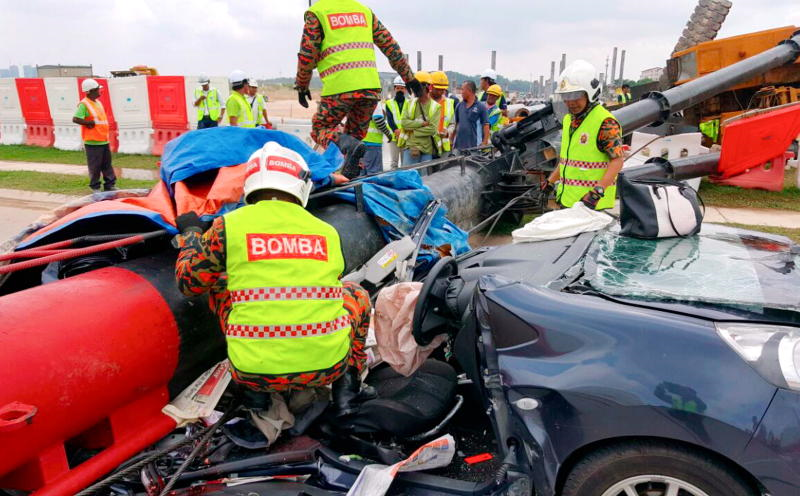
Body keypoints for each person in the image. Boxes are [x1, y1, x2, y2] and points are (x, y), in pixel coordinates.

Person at [174, 141, 372, 416]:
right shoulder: (325, 231)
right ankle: (347, 391)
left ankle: (256, 399)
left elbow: (189, 283)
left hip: (253, 373)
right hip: (328, 367)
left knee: (220, 286)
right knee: (355, 294)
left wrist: (192, 235)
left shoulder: (228, 226)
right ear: (301, 185)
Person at [294, 0, 418, 177]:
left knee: (320, 129)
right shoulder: (363, 12)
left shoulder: (318, 12)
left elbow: (307, 54)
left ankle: (344, 171)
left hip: (339, 87)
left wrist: (302, 84)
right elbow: (390, 46)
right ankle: (349, 179)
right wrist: (409, 77)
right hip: (370, 89)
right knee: (354, 141)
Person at [543, 60, 624, 211]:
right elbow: (569, 161)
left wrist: (596, 193)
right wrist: (550, 182)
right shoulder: (569, 120)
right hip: (568, 201)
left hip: (593, 206)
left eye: (576, 95)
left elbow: (617, 161)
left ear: (591, 93)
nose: (570, 102)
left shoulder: (605, 122)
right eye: (566, 96)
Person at [72, 78, 116, 193]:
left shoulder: (98, 103)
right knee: (95, 166)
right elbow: (76, 119)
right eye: (97, 89)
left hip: (103, 140)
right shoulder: (84, 104)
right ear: (90, 91)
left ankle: (110, 185)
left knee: (107, 165)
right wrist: (88, 123)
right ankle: (95, 187)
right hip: (92, 142)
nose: (99, 91)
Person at [399, 71, 441, 165]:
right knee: (407, 177)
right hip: (410, 148)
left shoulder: (435, 107)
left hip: (426, 150)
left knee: (425, 179)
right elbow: (404, 123)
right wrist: (421, 124)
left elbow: (432, 129)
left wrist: (413, 131)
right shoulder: (409, 103)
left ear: (428, 87)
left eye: (419, 86)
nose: (415, 89)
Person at [451, 80, 489, 151]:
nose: (461, 92)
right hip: (458, 148)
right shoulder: (459, 106)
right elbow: (457, 125)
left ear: (469, 91)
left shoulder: (481, 107)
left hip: (474, 148)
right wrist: (451, 140)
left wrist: (484, 142)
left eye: (462, 89)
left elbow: (486, 125)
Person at [360, 102, 392, 174]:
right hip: (373, 144)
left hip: (360, 143)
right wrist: (388, 134)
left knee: (362, 171)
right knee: (374, 172)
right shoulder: (375, 104)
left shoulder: (361, 103)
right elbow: (379, 120)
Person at [384, 76, 408, 168]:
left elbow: (410, 119)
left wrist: (402, 131)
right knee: (394, 162)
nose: (400, 90)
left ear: (405, 89)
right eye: (398, 88)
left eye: (402, 88)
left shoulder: (409, 103)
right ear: (394, 89)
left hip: (406, 136)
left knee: (405, 163)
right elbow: (389, 119)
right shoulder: (389, 103)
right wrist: (396, 130)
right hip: (394, 137)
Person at [430, 71, 455, 155]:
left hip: (444, 147)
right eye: (437, 89)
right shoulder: (425, 102)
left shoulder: (449, 103)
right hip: (428, 145)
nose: (440, 92)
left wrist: (448, 131)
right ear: (431, 86)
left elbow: (452, 124)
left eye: (443, 89)